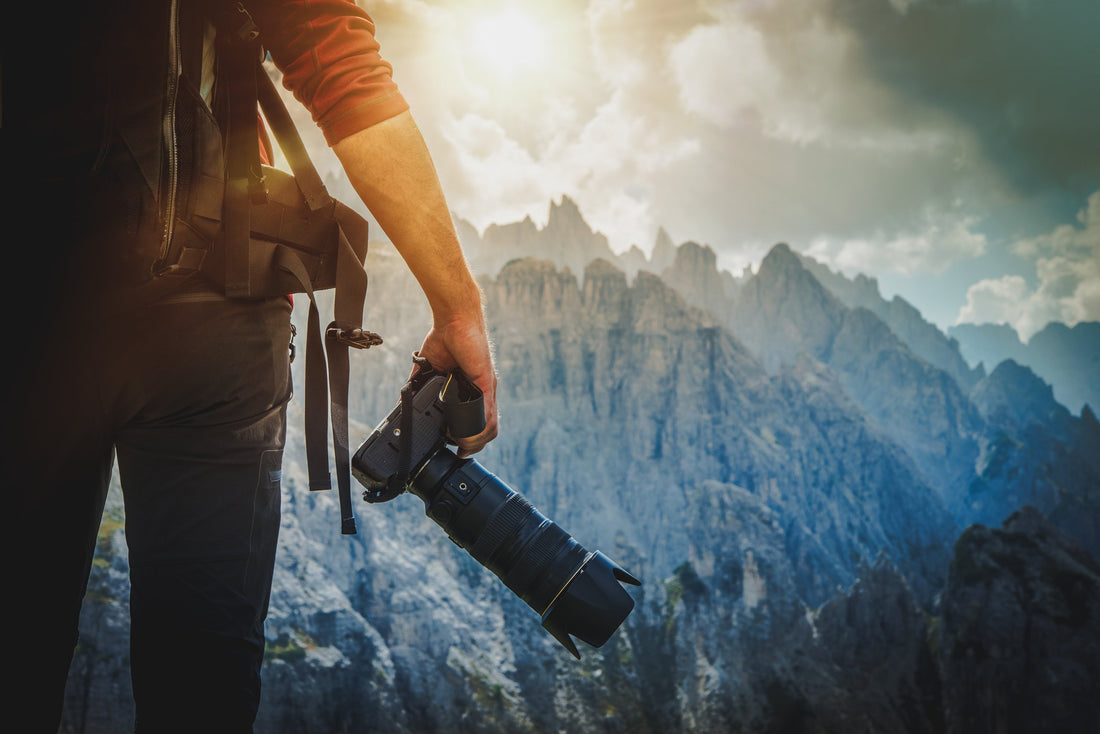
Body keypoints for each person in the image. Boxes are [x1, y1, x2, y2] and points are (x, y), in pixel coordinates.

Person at [2, 0, 497, 730]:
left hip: (37, 310)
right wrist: (457, 309)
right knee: (203, 686)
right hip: (212, 300)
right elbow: (335, 58)